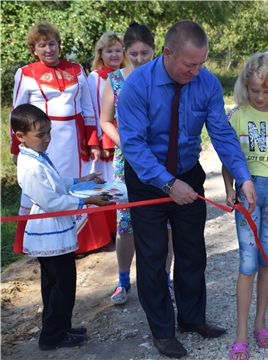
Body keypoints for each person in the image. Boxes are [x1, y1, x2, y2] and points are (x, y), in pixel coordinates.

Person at [116, 20, 257, 358]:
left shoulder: (205, 83)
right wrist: (166, 183)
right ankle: (162, 332)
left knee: (192, 251)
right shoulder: (137, 85)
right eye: (189, 64)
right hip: (147, 180)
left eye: (201, 64)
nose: (196, 71)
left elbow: (221, 134)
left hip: (189, 174)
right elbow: (133, 145)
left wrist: (244, 175)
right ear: (167, 54)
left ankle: (192, 318)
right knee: (151, 259)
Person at [11, 103, 111, 351]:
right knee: (62, 285)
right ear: (20, 136)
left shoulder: (36, 156)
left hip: (52, 229)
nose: (47, 139)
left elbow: (55, 183)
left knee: (56, 283)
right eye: (40, 135)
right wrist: (88, 199)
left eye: (48, 132)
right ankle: (53, 335)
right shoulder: (31, 165)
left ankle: (59, 328)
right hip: (48, 230)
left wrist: (81, 180)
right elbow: (52, 202)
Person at [11, 20, 111, 255]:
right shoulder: (25, 73)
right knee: (44, 187)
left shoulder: (76, 69)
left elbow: (88, 110)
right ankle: (41, 243)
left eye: (52, 44)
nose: (49, 49)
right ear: (33, 49)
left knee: (76, 181)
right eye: (43, 45)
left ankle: (84, 243)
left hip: (74, 141)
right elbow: (16, 114)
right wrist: (17, 149)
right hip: (39, 141)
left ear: (59, 45)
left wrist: (93, 141)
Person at [223, 53, 268, 360]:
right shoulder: (237, 116)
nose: (261, 96)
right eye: (255, 90)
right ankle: (241, 332)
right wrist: (229, 189)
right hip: (248, 190)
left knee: (267, 259)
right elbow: (229, 157)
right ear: (246, 86)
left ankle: (260, 322)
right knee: (247, 262)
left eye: (266, 91)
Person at [100, 22, 175, 305]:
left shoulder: (165, 77)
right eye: (134, 54)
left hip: (162, 158)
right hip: (127, 159)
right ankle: (122, 280)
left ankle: (165, 279)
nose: (140, 59)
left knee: (167, 223)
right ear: (126, 52)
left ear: (156, 50)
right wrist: (127, 144)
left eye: (145, 53)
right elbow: (106, 121)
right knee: (126, 223)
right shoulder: (116, 80)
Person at [87, 31, 129, 181]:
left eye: (118, 50)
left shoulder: (127, 75)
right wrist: (101, 141)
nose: (114, 55)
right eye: (109, 51)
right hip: (107, 137)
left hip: (126, 134)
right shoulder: (95, 77)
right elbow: (93, 110)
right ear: (101, 54)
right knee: (109, 180)